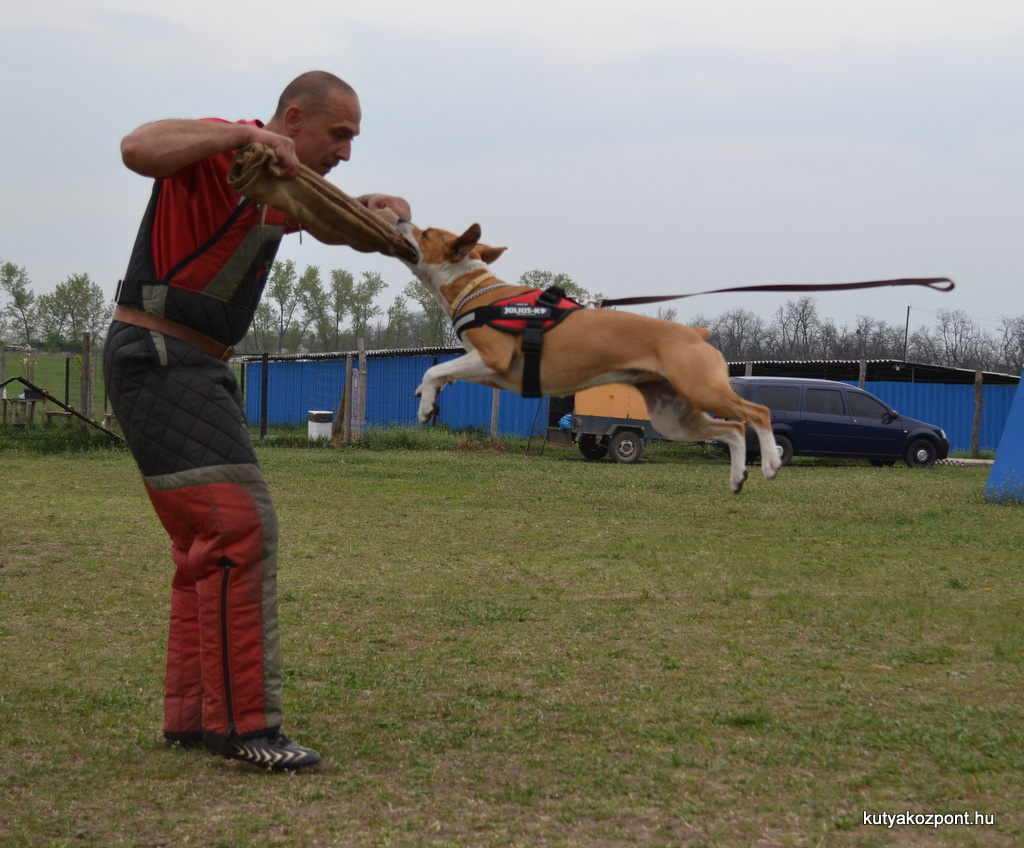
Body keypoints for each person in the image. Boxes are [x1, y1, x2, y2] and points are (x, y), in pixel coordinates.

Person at [103, 71, 410, 770]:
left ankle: (192, 719)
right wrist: (244, 134)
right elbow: (136, 145)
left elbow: (332, 224)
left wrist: (378, 211)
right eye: (340, 135)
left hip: (186, 360)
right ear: (294, 118)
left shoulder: (277, 183)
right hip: (162, 352)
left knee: (203, 542)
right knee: (236, 526)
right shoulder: (227, 151)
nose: (347, 151)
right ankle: (247, 730)